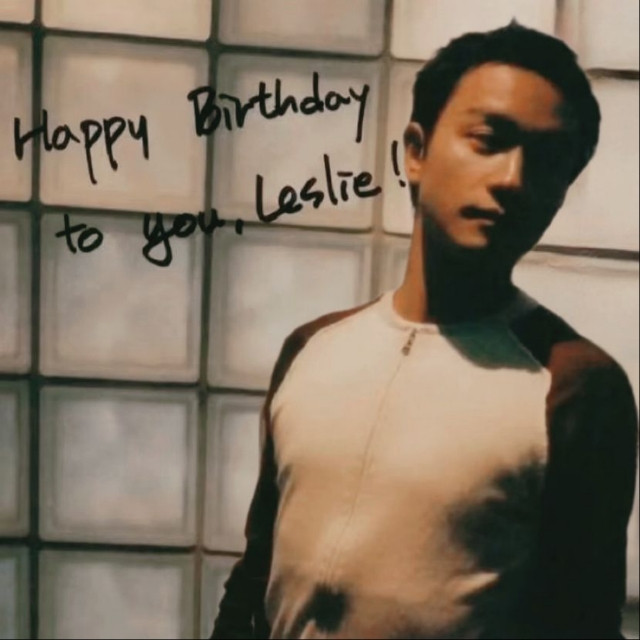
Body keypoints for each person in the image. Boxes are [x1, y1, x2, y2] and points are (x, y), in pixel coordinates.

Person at [211, 23, 638, 640]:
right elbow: (257, 580)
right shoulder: (311, 349)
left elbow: (582, 624)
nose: (513, 178)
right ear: (416, 151)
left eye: (548, 161)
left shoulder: (574, 386)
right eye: (488, 140)